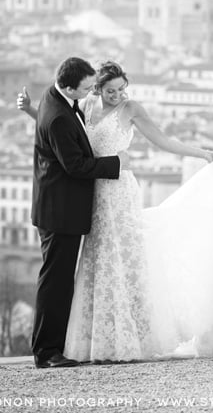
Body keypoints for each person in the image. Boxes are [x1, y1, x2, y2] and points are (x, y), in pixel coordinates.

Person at [18, 61, 213, 363]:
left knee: (127, 263)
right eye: (110, 90)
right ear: (97, 89)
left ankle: (133, 337)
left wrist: (202, 153)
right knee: (98, 264)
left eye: (122, 89)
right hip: (93, 193)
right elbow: (61, 132)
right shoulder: (85, 105)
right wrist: (31, 112)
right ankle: (97, 341)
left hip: (119, 191)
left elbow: (163, 140)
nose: (117, 95)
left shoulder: (131, 110)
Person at [30, 57, 125, 369]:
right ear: (69, 85)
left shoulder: (53, 96)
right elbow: (76, 166)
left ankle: (49, 348)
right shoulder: (58, 116)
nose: (90, 93)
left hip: (55, 207)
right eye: (85, 88)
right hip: (60, 211)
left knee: (56, 280)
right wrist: (116, 164)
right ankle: (47, 352)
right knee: (56, 282)